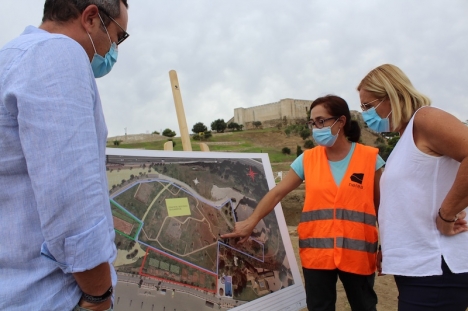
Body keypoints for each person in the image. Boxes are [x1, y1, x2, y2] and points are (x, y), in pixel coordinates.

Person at [0, 1, 129, 310]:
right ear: (91, 18)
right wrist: (98, 295)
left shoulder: (10, 58)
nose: (116, 48)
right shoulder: (59, 54)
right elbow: (71, 201)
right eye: (119, 36)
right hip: (51, 297)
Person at [222, 95, 385, 311]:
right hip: (317, 257)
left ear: (342, 121)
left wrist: (387, 246)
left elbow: (383, 208)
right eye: (312, 123)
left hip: (358, 254)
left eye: (321, 121)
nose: (315, 128)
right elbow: (277, 193)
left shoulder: (370, 159)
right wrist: (251, 221)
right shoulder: (307, 160)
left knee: (364, 307)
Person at [357, 64, 468, 311]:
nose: (364, 113)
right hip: (417, 267)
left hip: (436, 267)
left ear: (391, 95)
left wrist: (446, 214)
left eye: (367, 105)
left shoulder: (426, 119)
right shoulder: (404, 140)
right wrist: (392, 247)